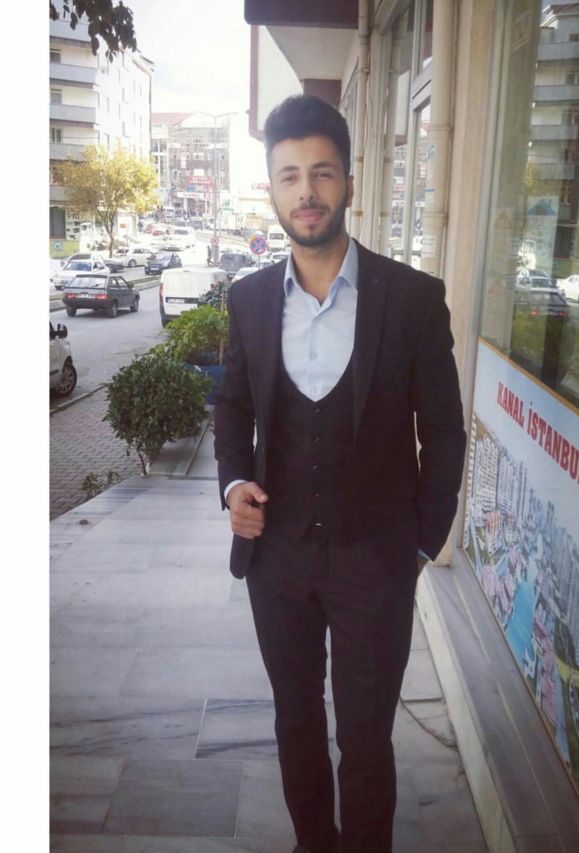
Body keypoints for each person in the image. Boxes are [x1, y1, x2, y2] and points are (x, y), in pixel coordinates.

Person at [214, 94, 467, 853]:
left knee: (365, 733)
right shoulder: (248, 299)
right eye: (289, 176)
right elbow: (233, 406)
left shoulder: (412, 299)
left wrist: (420, 542)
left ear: (350, 181)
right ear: (272, 189)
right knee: (294, 717)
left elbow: (444, 431)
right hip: (278, 556)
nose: (307, 191)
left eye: (322, 172)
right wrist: (233, 484)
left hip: (376, 560)